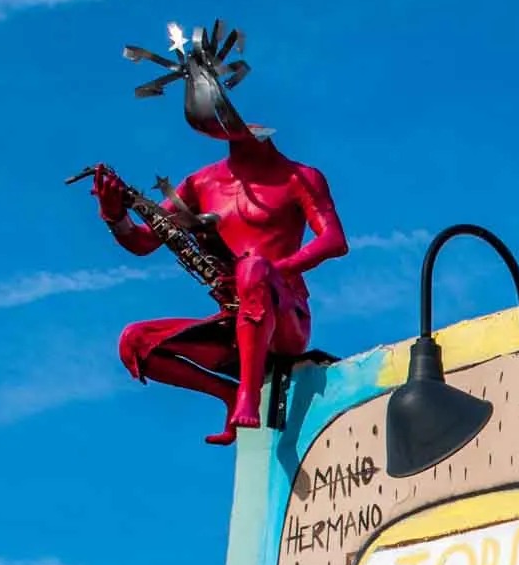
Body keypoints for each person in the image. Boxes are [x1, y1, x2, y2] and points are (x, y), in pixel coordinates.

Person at [87, 22, 349, 445]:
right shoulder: (201, 184)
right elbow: (141, 242)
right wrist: (113, 215)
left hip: (285, 318)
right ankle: (227, 393)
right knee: (135, 342)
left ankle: (248, 393)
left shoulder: (299, 177)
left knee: (254, 269)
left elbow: (334, 241)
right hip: (234, 319)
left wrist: (273, 272)